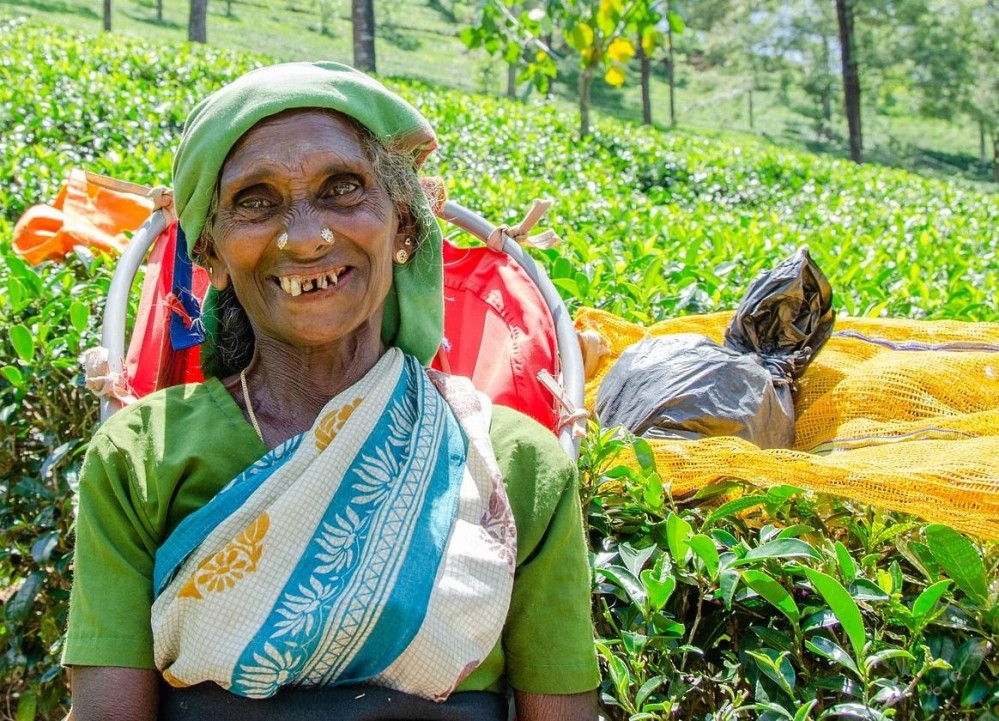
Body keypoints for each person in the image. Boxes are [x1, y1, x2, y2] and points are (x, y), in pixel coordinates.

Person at [62, 62, 600, 721]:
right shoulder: (142, 454)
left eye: (342, 189)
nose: (307, 235)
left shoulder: (514, 461)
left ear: (403, 229)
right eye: (256, 202)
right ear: (212, 258)